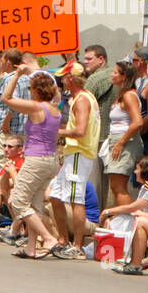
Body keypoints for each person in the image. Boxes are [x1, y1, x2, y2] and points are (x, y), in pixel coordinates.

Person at [0, 68, 62, 259]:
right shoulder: (55, 110)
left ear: (37, 90)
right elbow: (56, 94)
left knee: (18, 202)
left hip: (36, 160)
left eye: (30, 88)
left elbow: (6, 98)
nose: (29, 92)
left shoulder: (37, 107)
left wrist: (17, 75)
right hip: (51, 161)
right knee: (34, 205)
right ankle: (31, 247)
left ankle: (48, 238)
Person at [47, 62, 101, 258]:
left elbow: (80, 130)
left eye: (64, 76)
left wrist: (56, 131)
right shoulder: (81, 98)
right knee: (55, 195)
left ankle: (77, 246)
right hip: (75, 153)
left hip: (79, 152)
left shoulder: (81, 100)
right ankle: (63, 240)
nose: (62, 80)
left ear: (72, 78)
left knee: (76, 199)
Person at [101, 59, 143, 209]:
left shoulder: (128, 96)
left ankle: (127, 221)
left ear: (124, 76)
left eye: (115, 72)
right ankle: (123, 219)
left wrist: (121, 142)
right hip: (118, 140)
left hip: (124, 141)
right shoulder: (122, 95)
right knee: (116, 186)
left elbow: (138, 122)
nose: (112, 75)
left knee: (119, 187)